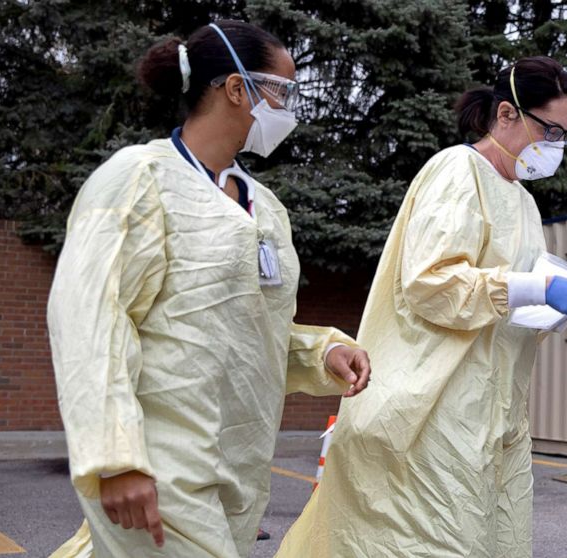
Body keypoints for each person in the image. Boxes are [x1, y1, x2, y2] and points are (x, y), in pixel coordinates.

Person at [276, 56, 567, 557]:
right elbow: (430, 283)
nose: (556, 146)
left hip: (493, 418)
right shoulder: (458, 170)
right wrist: (537, 288)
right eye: (551, 130)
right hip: (429, 417)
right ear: (507, 114)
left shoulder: (522, 201)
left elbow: (505, 304)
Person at [47, 20, 371, 557]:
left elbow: (245, 331)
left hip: (240, 471)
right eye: (284, 91)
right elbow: (90, 320)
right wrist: (115, 457)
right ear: (237, 88)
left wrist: (323, 351)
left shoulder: (264, 207)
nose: (292, 107)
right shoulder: (139, 179)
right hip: (161, 467)